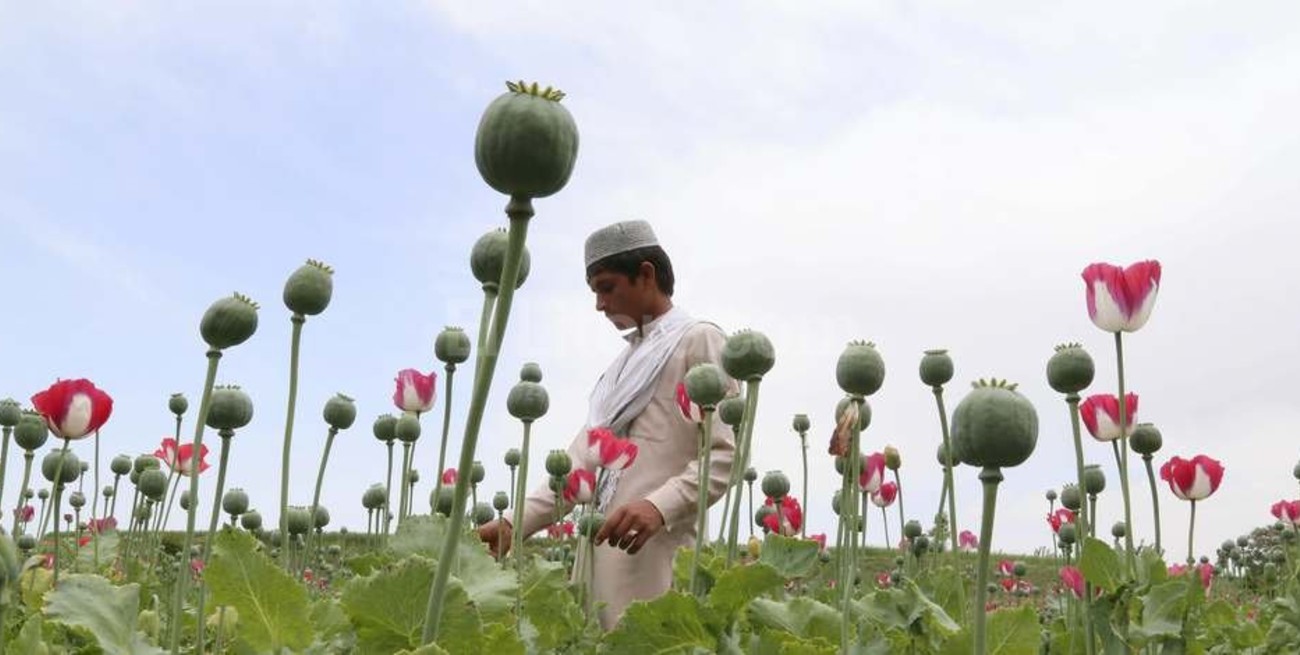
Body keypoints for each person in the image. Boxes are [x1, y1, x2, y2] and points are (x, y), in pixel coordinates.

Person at [477, 219, 736, 629]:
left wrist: (659, 506)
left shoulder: (698, 340)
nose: (599, 304)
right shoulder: (618, 371)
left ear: (646, 274)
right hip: (595, 553)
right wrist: (514, 523)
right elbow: (578, 466)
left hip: (655, 551)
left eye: (606, 287)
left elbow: (726, 455)